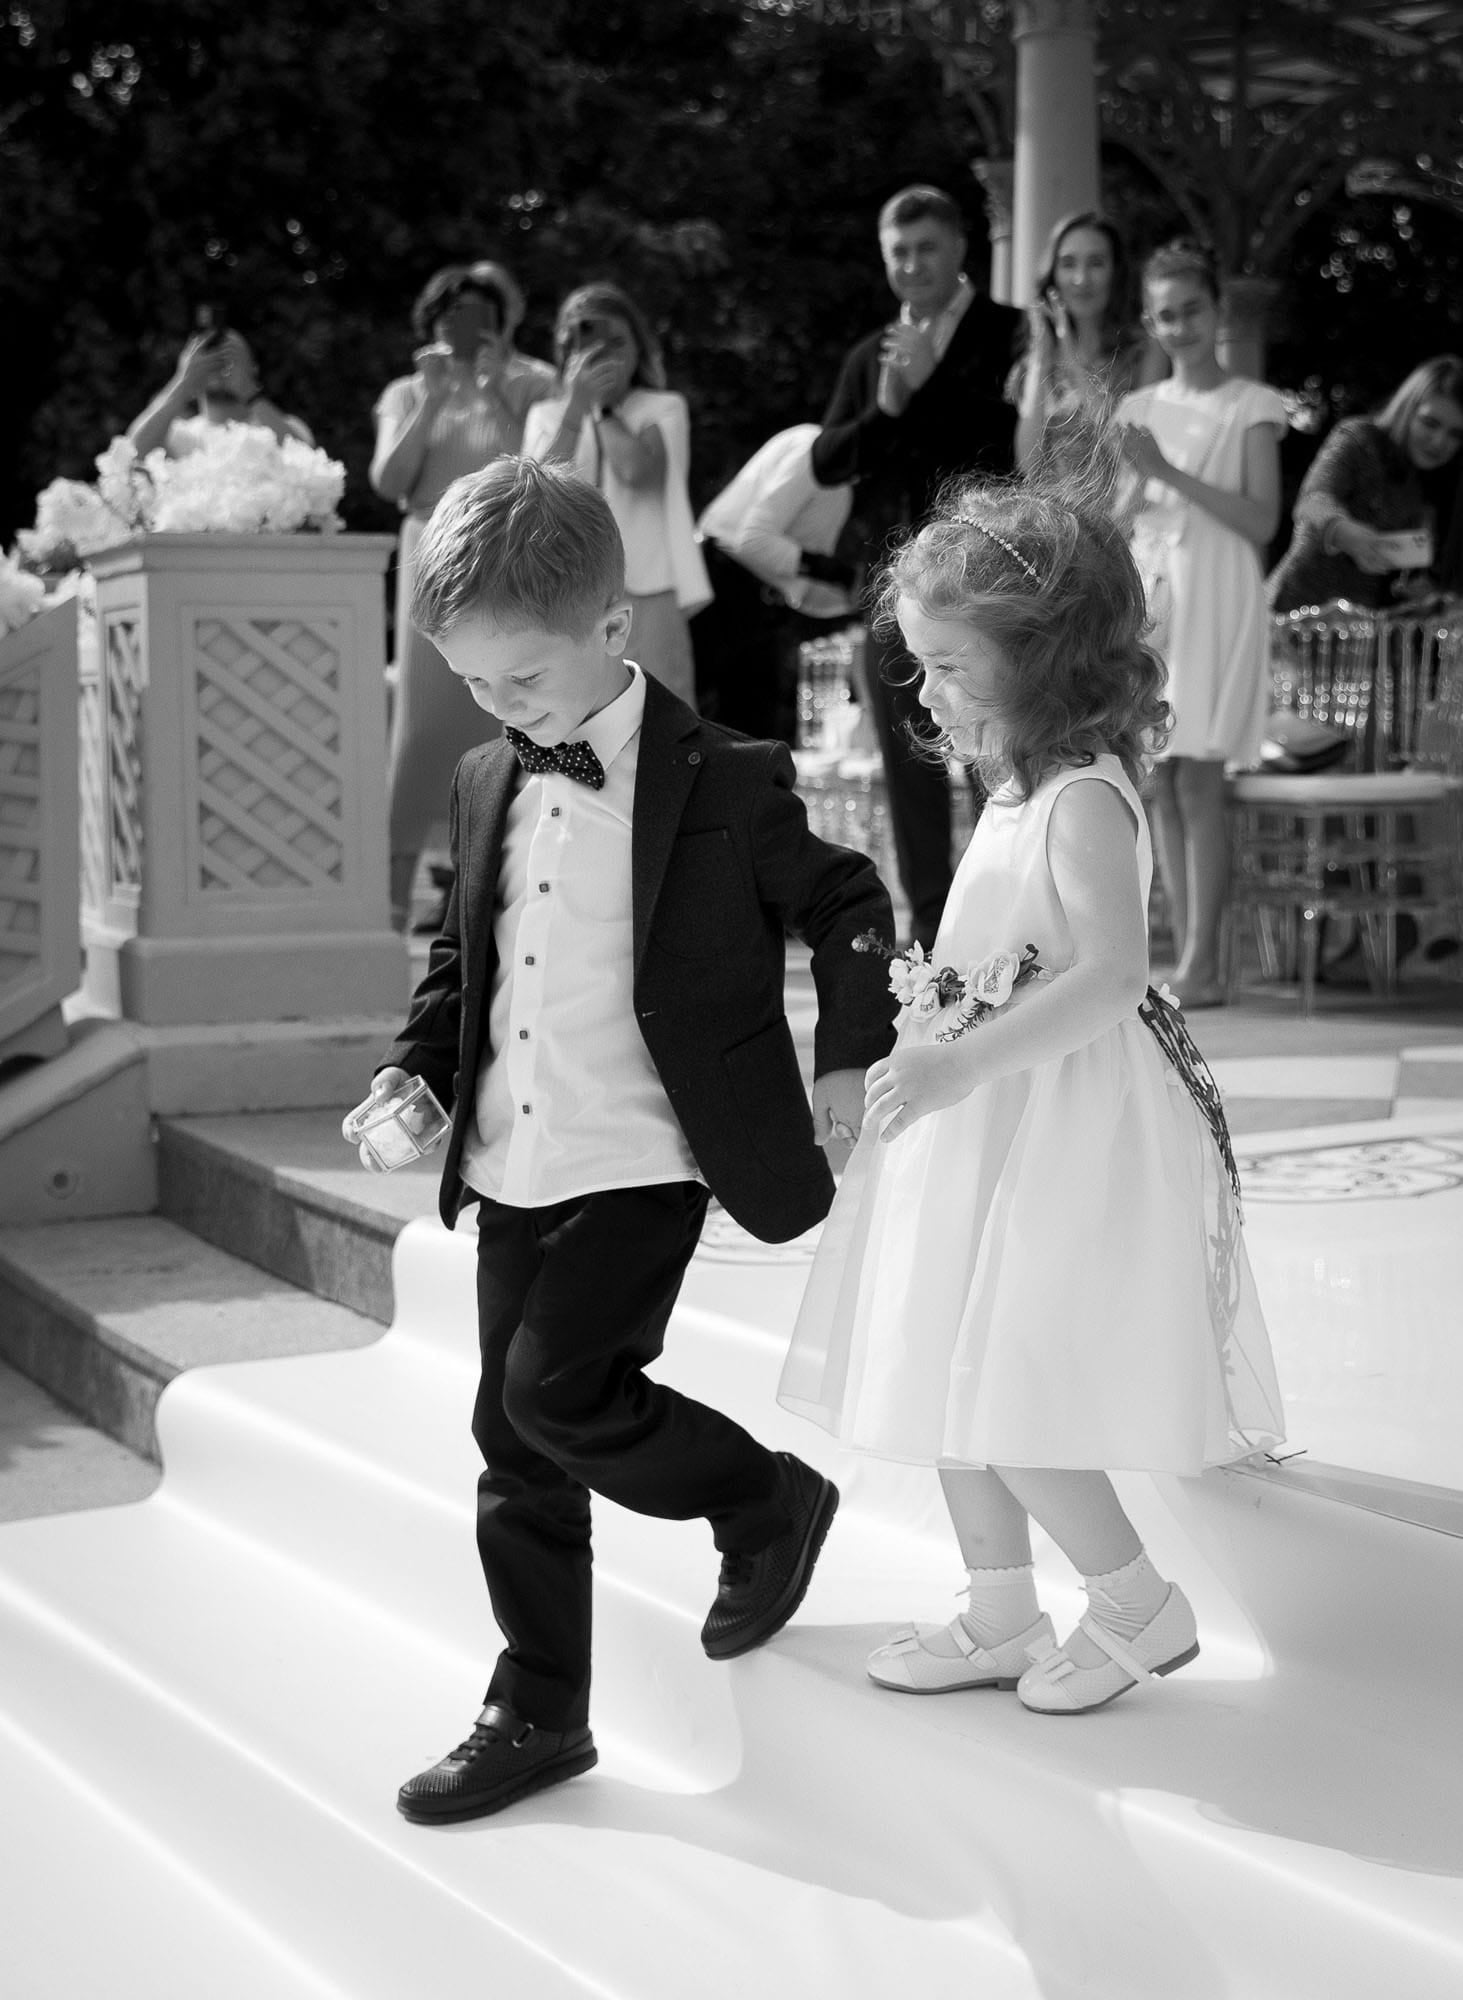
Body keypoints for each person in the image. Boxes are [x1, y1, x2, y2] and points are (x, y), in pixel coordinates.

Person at [348, 456, 896, 1823]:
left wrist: (848, 1055)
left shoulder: (727, 779)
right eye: (471, 684)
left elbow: (845, 902)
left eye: (519, 680)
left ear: (612, 627)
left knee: (556, 1394)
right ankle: (536, 1709)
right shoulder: (487, 777)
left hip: (643, 1158)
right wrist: (412, 1076)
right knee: (510, 1437)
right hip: (506, 1160)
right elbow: (455, 962)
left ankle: (762, 1498)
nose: (496, 708)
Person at [778, 467, 1285, 1716]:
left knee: (1009, 1380)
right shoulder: (1009, 789)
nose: (929, 690)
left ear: (1044, 655)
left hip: (1053, 1123)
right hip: (983, 1117)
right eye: (923, 664)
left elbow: (1114, 975)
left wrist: (959, 1056)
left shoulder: (1082, 798)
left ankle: (1132, 1599)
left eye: (950, 664)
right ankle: (1000, 1602)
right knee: (943, 1361)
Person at [813, 186, 1023, 951]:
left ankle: (1011, 920)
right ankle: (933, 932)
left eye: (925, 249)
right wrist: (889, 406)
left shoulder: (1011, 333)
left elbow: (1006, 453)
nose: (910, 266)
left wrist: (930, 381)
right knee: (911, 762)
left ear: (960, 248)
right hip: (887, 587)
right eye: (897, 252)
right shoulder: (873, 352)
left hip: (980, 580)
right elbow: (827, 458)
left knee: (992, 751)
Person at [1115, 239, 1287, 1008]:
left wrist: (1168, 474)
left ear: (1216, 310)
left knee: (1202, 779)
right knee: (1164, 779)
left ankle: (1205, 963)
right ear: (1149, 322)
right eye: (1164, 315)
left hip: (1219, 589)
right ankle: (1187, 957)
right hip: (1156, 593)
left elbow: (1258, 519)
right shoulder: (1137, 411)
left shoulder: (1252, 405)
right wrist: (1134, 492)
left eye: (1191, 310)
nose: (1178, 326)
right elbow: (1120, 512)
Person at [371, 261, 555, 928]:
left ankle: (491, 882)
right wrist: (431, 397)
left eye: (475, 312)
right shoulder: (405, 390)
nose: (459, 324)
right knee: (420, 727)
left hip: (507, 550)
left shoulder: (533, 380)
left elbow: (544, 461)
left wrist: (493, 385)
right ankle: (394, 887)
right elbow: (389, 479)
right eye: (447, 312)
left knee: (507, 709)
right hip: (429, 549)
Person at [523, 283, 709, 707]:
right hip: (568, 591)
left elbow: (638, 471)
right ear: (565, 349)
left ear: (639, 349)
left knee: (665, 716)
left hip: (650, 591)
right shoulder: (547, 416)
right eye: (589, 341)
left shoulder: (663, 406)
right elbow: (535, 491)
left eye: (617, 342)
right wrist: (576, 409)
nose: (604, 355)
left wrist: (604, 409)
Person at [692, 422, 856, 741]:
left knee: (754, 744)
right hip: (718, 590)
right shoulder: (811, 448)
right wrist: (835, 573)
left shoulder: (845, 485)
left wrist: (859, 600)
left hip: (758, 608)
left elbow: (801, 591)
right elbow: (751, 542)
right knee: (709, 735)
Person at [1268, 354, 1463, 612]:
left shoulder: (1430, 483)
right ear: (1407, 408)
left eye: (1455, 434)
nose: (1439, 442)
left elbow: (1402, 575)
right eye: (1430, 423)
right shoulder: (1359, 438)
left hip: (1360, 634)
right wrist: (1344, 531)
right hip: (1294, 615)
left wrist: (1420, 592)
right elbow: (1312, 500)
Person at [1011, 209, 1146, 471]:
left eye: (1096, 263)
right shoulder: (1033, 365)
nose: (1081, 279)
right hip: (1052, 509)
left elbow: (1130, 454)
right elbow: (1027, 465)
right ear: (1053, 276)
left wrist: (1074, 363)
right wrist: (1040, 360)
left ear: (1115, 271)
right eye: (1068, 264)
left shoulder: (1144, 352)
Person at [125, 323, 313, 457]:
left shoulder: (285, 427)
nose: (219, 365)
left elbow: (306, 461)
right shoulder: (180, 436)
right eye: (210, 356)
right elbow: (132, 452)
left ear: (254, 368)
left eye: (230, 354)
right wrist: (181, 384)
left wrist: (249, 391)